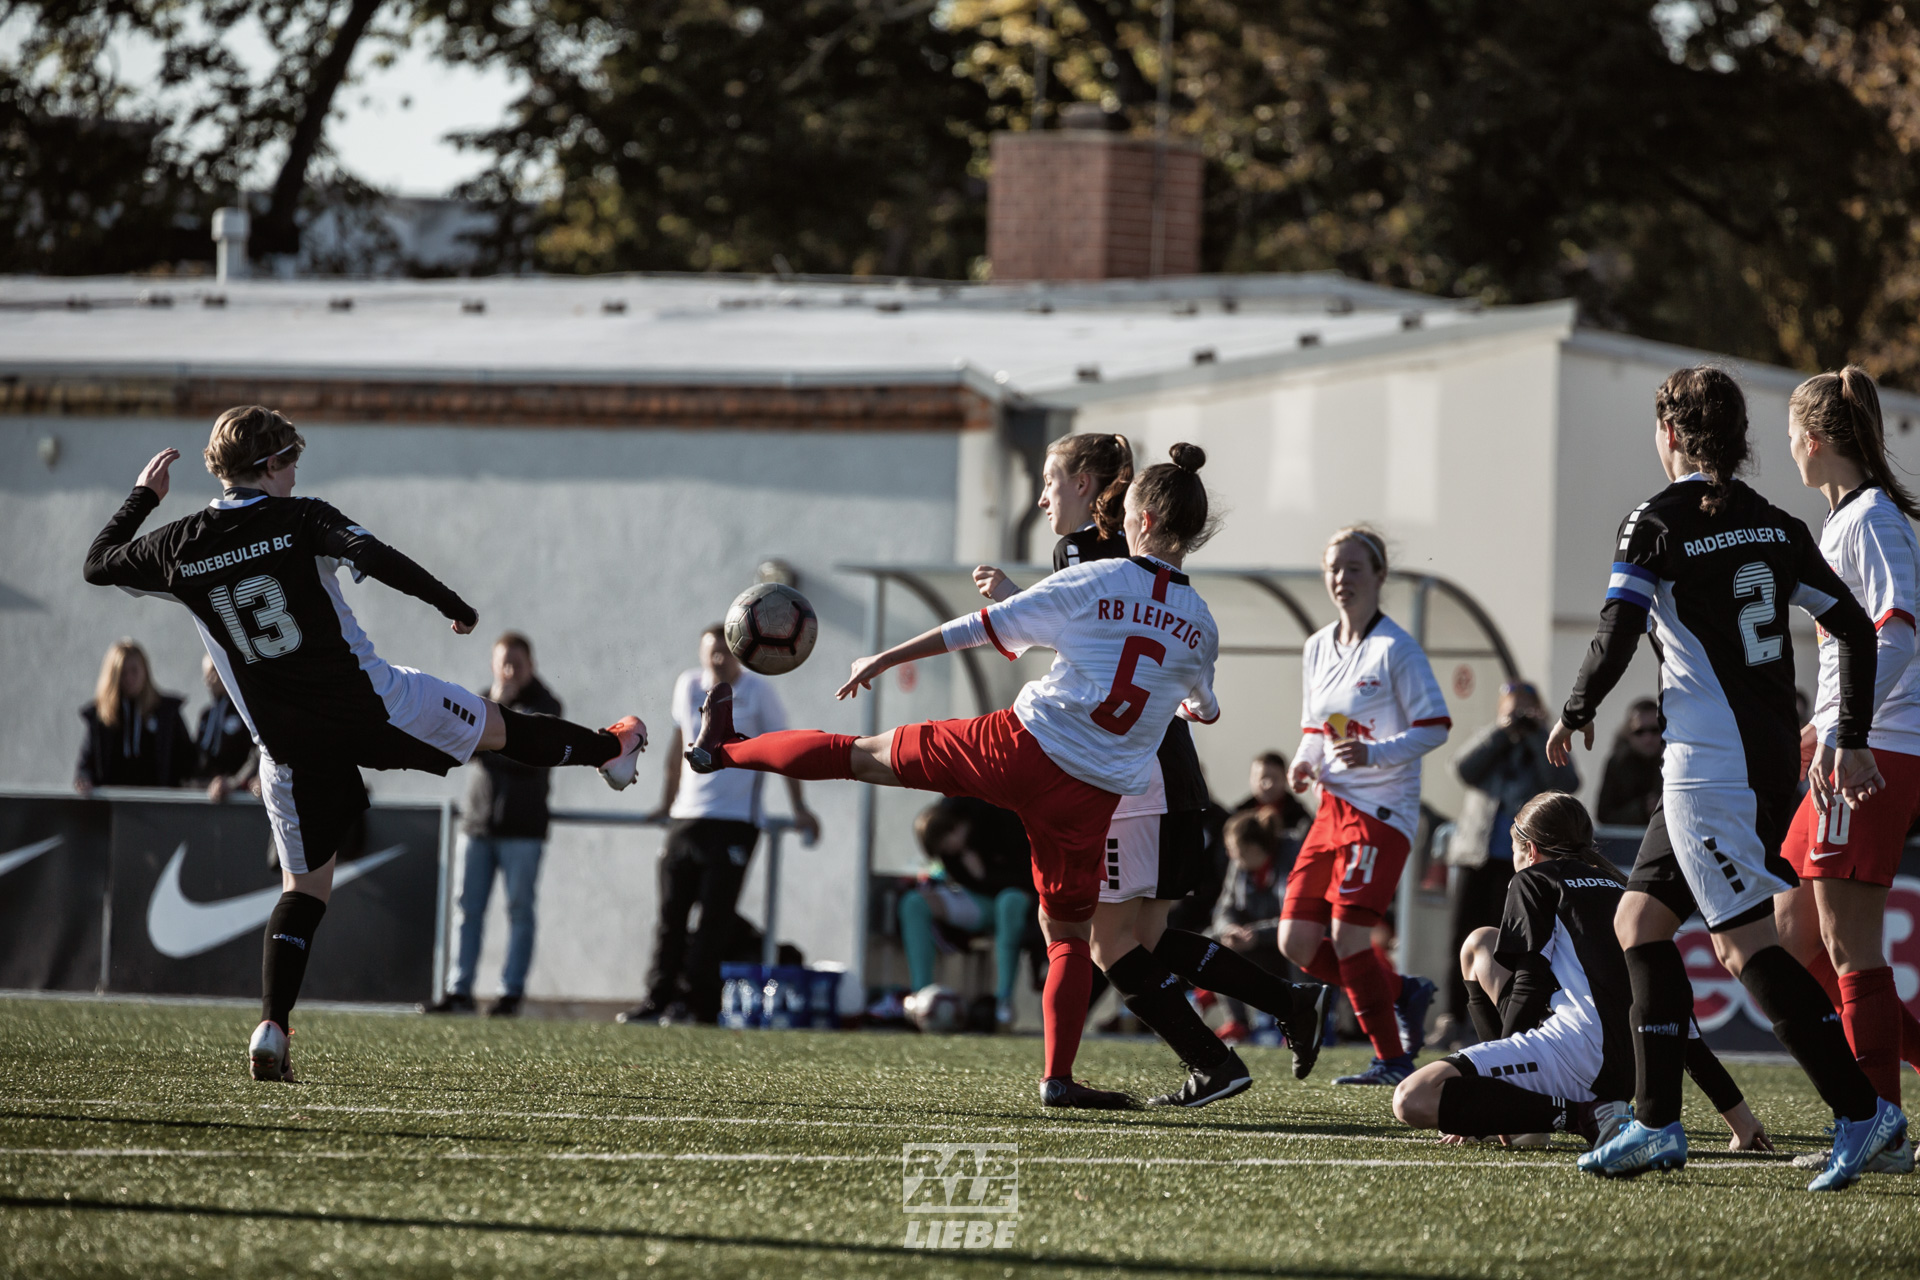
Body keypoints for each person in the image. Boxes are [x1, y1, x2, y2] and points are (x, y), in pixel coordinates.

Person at [81, 406, 647, 1083]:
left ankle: (271, 1024)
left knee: (302, 893)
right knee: (497, 728)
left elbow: (97, 564)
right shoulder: (298, 518)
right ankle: (608, 752)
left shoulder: (180, 544)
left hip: (286, 748)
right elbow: (373, 556)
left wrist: (144, 497)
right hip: (373, 706)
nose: (295, 472)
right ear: (267, 468)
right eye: (288, 460)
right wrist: (451, 604)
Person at [682, 443, 1224, 1110]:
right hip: (1090, 798)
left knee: (861, 755)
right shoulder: (1202, 625)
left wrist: (884, 657)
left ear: (1134, 517)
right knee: (1067, 940)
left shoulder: (1101, 579)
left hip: (1022, 748)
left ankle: (728, 751)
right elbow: (1205, 707)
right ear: (1192, 532)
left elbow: (977, 627)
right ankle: (1057, 1078)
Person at [1547, 365, 1907, 1190]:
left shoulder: (1657, 520)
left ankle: (1865, 1113)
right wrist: (1846, 728)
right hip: (1767, 754)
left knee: (1745, 946)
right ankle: (1656, 1122)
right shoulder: (1775, 524)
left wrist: (1574, 708)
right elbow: (1853, 626)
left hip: (1711, 766)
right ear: (1740, 438)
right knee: (1638, 923)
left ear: (1670, 434)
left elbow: (1618, 627)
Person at [973, 433, 1326, 1108]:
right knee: (1146, 937)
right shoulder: (1140, 563)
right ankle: (1281, 1006)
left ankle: (1213, 1057)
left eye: (1050, 481)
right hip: (1168, 769)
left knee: (1110, 944)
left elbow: (1088, 646)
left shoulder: (1082, 554)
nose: (1042, 496)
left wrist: (1020, 603)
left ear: (1087, 487)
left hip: (1133, 777)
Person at [1392, 792, 1770, 1151]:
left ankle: (1569, 1116)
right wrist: (1742, 1122)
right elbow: (1679, 1025)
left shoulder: (1533, 879)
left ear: (1530, 849)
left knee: (1413, 1099)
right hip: (1624, 1080)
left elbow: (1529, 984)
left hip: (1576, 1059)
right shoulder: (1628, 893)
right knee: (1481, 944)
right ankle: (1539, 1116)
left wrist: (1488, 1097)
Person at [1775, 365, 1920, 1174]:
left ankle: (1877, 1128)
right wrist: (1819, 724)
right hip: (1853, 743)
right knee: (1791, 939)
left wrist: (1846, 729)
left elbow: (1898, 633)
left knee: (1847, 946)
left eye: (1791, 434)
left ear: (1815, 440)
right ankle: (1876, 1115)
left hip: (1877, 750)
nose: (1788, 448)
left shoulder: (1869, 520)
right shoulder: (1845, 522)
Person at [1278, 526, 1452, 1087]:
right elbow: (1314, 727)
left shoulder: (1396, 648)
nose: (1341, 578)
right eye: (1333, 568)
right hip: (1331, 808)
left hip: (1381, 814)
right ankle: (1400, 990)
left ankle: (1393, 1060)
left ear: (1380, 576)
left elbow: (1435, 726)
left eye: (1354, 568)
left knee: (1350, 938)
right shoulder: (1317, 645)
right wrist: (1303, 762)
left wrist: (1374, 753)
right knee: (1297, 942)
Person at [623, 624, 819, 1026]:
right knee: (670, 916)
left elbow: (786, 749)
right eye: (711, 652)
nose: (718, 660)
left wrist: (800, 806)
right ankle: (658, 998)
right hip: (686, 819)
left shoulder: (759, 691)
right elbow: (680, 743)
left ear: (740, 654)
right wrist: (667, 801)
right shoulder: (688, 685)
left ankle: (698, 1004)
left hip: (734, 823)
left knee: (714, 918)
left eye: (726, 653)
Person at [423, 632, 564, 1018]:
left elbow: (527, 758)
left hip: (522, 829)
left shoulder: (546, 706)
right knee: (466, 909)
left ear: (530, 665)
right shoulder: (485, 702)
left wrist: (485, 746)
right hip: (478, 826)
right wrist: (492, 721)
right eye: (503, 662)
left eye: (517, 662)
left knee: (519, 910)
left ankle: (510, 994)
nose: (509, 669)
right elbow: (458, 745)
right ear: (493, 664)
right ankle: (460, 991)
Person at [1434, 681, 1579, 1049]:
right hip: (1475, 857)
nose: (1517, 717)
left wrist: (1536, 735)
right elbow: (1462, 769)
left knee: (1514, 941)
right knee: (1460, 939)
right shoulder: (1489, 741)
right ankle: (1452, 1017)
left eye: (1525, 710)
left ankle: (1506, 1017)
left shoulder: (1545, 741)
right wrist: (1501, 732)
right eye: (1511, 709)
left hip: (1525, 864)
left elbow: (1567, 783)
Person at [900, 797, 1033, 1027]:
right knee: (913, 903)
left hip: (1022, 900)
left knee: (1007, 902)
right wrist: (977, 877)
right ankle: (921, 997)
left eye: (945, 842)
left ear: (957, 826)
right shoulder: (953, 855)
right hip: (982, 902)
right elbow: (966, 883)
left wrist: (985, 875)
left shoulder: (1001, 818)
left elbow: (1029, 876)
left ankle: (1003, 1004)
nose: (947, 851)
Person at [1206, 810, 1294, 1041]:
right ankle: (1237, 1022)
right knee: (1212, 942)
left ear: (1252, 849)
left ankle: (1298, 1021)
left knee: (1296, 941)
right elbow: (1224, 909)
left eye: (1232, 848)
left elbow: (1295, 916)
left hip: (1288, 948)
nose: (1228, 854)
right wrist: (1230, 930)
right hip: (1252, 945)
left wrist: (1258, 934)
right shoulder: (1239, 866)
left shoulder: (1293, 856)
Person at [74, 639, 193, 795]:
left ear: (145, 671)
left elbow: (188, 761)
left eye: (134, 671)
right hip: (113, 808)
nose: (129, 678)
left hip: (160, 808)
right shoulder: (100, 718)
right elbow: (86, 765)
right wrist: (84, 780)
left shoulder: (166, 713)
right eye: (122, 673)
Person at [192, 654, 259, 801]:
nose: (211, 679)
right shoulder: (206, 715)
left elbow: (256, 753)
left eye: (215, 671)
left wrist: (235, 782)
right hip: (207, 790)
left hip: (237, 792)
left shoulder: (245, 712)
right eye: (207, 674)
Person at [1594, 698, 1664, 826]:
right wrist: (1642, 809)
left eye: (1655, 730)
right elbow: (1603, 815)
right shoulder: (1618, 763)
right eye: (1639, 732)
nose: (1648, 738)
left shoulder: (1674, 763)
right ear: (1628, 733)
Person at [1233, 751, 1311, 831]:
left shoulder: (1301, 819)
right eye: (1263, 778)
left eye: (1275, 778)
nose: (1269, 785)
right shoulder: (1236, 818)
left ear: (1285, 779)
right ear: (1251, 779)